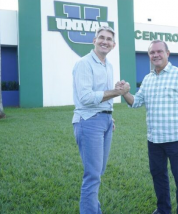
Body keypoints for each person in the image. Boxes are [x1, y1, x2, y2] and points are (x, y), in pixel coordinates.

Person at [118, 40, 178, 214]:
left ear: (167, 53)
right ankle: (163, 209)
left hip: (177, 140)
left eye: (159, 51)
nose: (155, 55)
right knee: (158, 177)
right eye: (152, 52)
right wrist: (125, 93)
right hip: (154, 140)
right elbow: (136, 102)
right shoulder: (148, 79)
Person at [72, 26, 129, 214]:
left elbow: (103, 95)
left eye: (109, 39)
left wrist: (108, 115)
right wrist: (116, 92)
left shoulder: (108, 65)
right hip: (88, 121)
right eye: (101, 37)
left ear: (113, 45)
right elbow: (86, 97)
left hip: (104, 121)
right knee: (92, 176)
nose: (105, 41)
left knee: (98, 172)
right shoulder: (84, 63)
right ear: (94, 41)